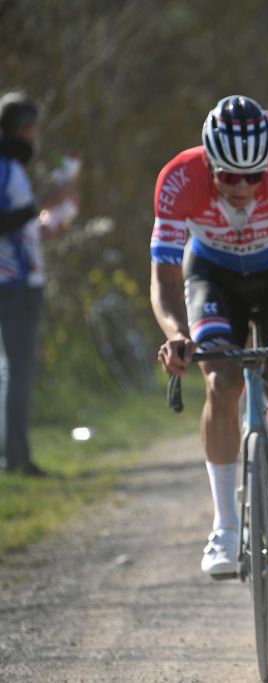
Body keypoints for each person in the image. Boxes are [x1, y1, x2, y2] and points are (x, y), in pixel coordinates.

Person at [150, 96, 268, 578]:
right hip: (213, 276)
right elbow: (166, 279)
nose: (242, 187)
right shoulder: (178, 179)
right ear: (208, 163)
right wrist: (175, 334)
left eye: (254, 176)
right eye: (229, 176)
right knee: (221, 384)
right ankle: (226, 524)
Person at [0, 90, 79, 477]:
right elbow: (7, 221)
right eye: (32, 128)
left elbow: (17, 226)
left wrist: (46, 228)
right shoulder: (6, 168)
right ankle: (15, 457)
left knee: (8, 370)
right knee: (18, 371)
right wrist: (49, 198)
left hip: (17, 278)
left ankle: (12, 453)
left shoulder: (11, 167)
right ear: (23, 129)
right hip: (14, 285)